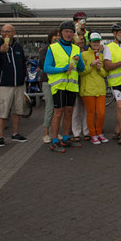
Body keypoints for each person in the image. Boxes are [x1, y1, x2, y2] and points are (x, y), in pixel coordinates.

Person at [43, 20, 85, 153]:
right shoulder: (53, 48)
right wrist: (63, 69)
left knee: (69, 112)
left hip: (72, 86)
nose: (69, 34)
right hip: (59, 85)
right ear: (61, 33)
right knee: (58, 112)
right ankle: (55, 140)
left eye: (71, 32)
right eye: (66, 31)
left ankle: (66, 138)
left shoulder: (76, 48)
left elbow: (82, 69)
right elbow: (46, 67)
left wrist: (79, 61)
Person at [0, 24, 28, 147]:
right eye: (3, 31)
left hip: (18, 84)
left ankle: (15, 133)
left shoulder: (18, 46)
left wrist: (23, 76)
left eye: (8, 31)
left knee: (17, 110)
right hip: (4, 85)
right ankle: (0, 136)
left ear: (14, 33)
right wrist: (0, 51)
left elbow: (23, 62)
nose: (5, 34)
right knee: (2, 111)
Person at [80, 32, 109, 145]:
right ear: (89, 43)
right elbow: (81, 72)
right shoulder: (84, 55)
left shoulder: (102, 56)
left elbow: (105, 74)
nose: (96, 43)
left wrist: (99, 68)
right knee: (91, 113)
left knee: (101, 113)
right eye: (94, 41)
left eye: (98, 41)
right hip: (88, 89)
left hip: (100, 89)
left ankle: (99, 133)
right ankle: (93, 134)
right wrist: (90, 65)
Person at [38, 29, 60, 143]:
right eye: (55, 36)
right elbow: (41, 64)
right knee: (50, 107)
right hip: (47, 81)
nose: (58, 38)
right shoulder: (45, 49)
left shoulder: (61, 49)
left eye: (59, 36)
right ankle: (46, 133)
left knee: (58, 108)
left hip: (59, 81)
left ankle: (55, 132)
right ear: (50, 37)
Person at [71, 34, 90, 142]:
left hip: (87, 83)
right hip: (76, 83)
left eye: (82, 39)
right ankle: (76, 132)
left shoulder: (89, 50)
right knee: (76, 109)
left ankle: (86, 131)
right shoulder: (72, 51)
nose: (80, 41)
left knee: (87, 109)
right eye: (78, 40)